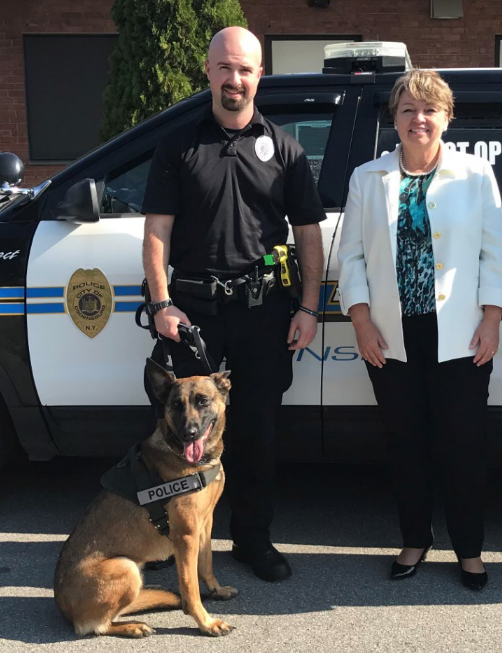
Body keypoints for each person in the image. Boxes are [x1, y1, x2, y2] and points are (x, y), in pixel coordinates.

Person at [140, 26, 326, 582]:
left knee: (257, 432)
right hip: (193, 315)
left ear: (259, 75)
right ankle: (172, 544)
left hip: (265, 312)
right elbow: (157, 233)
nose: (234, 79)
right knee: (177, 434)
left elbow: (309, 234)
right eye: (225, 68)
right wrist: (160, 303)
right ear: (209, 72)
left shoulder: (286, 149)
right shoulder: (178, 144)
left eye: (245, 69)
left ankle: (251, 540)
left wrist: (308, 307)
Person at [336, 69, 502, 591]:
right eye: (408, 109)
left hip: (461, 337)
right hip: (390, 338)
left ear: (447, 117)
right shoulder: (368, 179)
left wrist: (493, 318)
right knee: (405, 444)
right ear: (394, 118)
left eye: (430, 109)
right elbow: (351, 257)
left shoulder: (476, 176)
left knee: (463, 445)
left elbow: (491, 253)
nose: (420, 118)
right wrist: (361, 321)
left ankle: (469, 549)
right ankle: (414, 538)